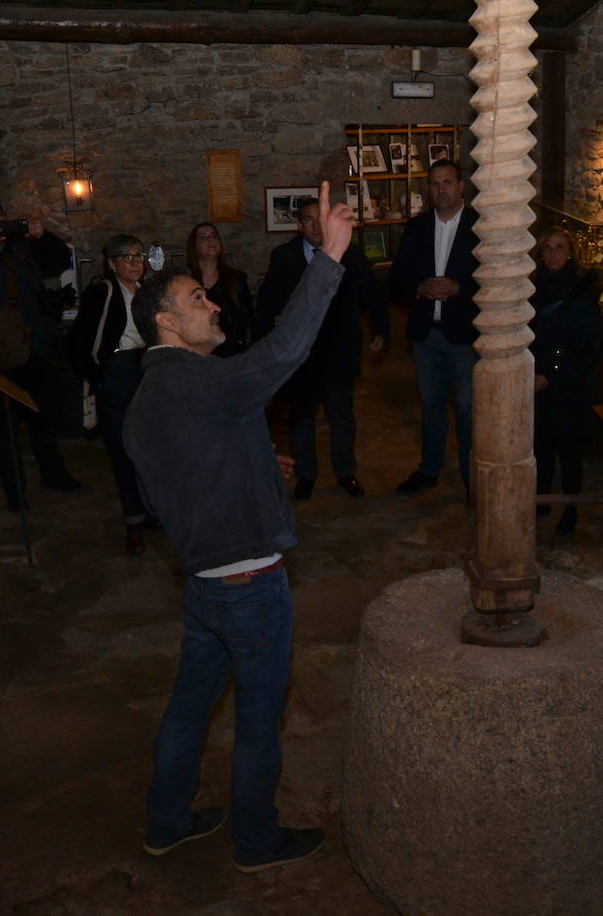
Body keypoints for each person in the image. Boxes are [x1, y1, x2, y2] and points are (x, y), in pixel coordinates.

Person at [123, 181, 352, 873]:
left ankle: (165, 822)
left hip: (201, 580)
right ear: (166, 322)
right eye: (197, 299)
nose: (212, 304)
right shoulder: (201, 380)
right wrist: (328, 262)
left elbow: (178, 488)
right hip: (249, 583)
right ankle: (257, 842)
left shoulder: (145, 401)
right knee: (258, 722)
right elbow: (279, 355)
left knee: (190, 707)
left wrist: (256, 461)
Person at [0, 198, 81, 511]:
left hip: (34, 346)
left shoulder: (22, 249)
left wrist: (42, 234)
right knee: (4, 427)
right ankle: (16, 494)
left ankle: (54, 474)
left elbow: (60, 260)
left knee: (43, 417)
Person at [258, 198, 389, 500]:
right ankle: (306, 476)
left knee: (341, 414)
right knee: (301, 417)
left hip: (339, 349)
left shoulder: (351, 254)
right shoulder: (284, 257)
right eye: (308, 220)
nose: (316, 226)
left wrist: (381, 328)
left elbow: (371, 293)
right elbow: (269, 303)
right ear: (299, 225)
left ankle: (346, 472)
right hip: (300, 355)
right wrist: (267, 345)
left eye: (320, 218)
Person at [389, 160, 480, 496]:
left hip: (463, 336)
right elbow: (396, 279)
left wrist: (460, 289)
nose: (440, 189)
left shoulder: (479, 228)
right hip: (427, 335)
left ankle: (472, 477)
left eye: (446, 182)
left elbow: (495, 283)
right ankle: (429, 469)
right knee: (430, 405)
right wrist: (419, 288)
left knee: (468, 409)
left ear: (461, 187)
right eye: (434, 183)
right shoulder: (416, 228)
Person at [67, 234, 151, 555]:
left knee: (149, 449)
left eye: (138, 256)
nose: (134, 263)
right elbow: (79, 343)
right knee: (123, 451)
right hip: (117, 374)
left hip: (145, 373)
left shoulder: (146, 293)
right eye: (127, 257)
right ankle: (134, 524)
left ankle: (152, 512)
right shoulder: (103, 291)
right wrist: (99, 378)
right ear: (112, 263)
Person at [529, 227, 601, 536]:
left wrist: (551, 375)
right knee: (540, 445)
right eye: (547, 248)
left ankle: (570, 509)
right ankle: (540, 500)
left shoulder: (581, 292)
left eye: (559, 248)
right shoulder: (534, 288)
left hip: (567, 382)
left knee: (568, 451)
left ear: (570, 252)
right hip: (536, 378)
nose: (552, 254)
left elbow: (586, 346)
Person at [186, 221, 257, 358]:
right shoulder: (187, 283)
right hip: (199, 357)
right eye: (203, 237)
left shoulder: (237, 279)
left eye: (213, 235)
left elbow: (248, 318)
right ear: (194, 246)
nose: (210, 239)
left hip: (234, 354)